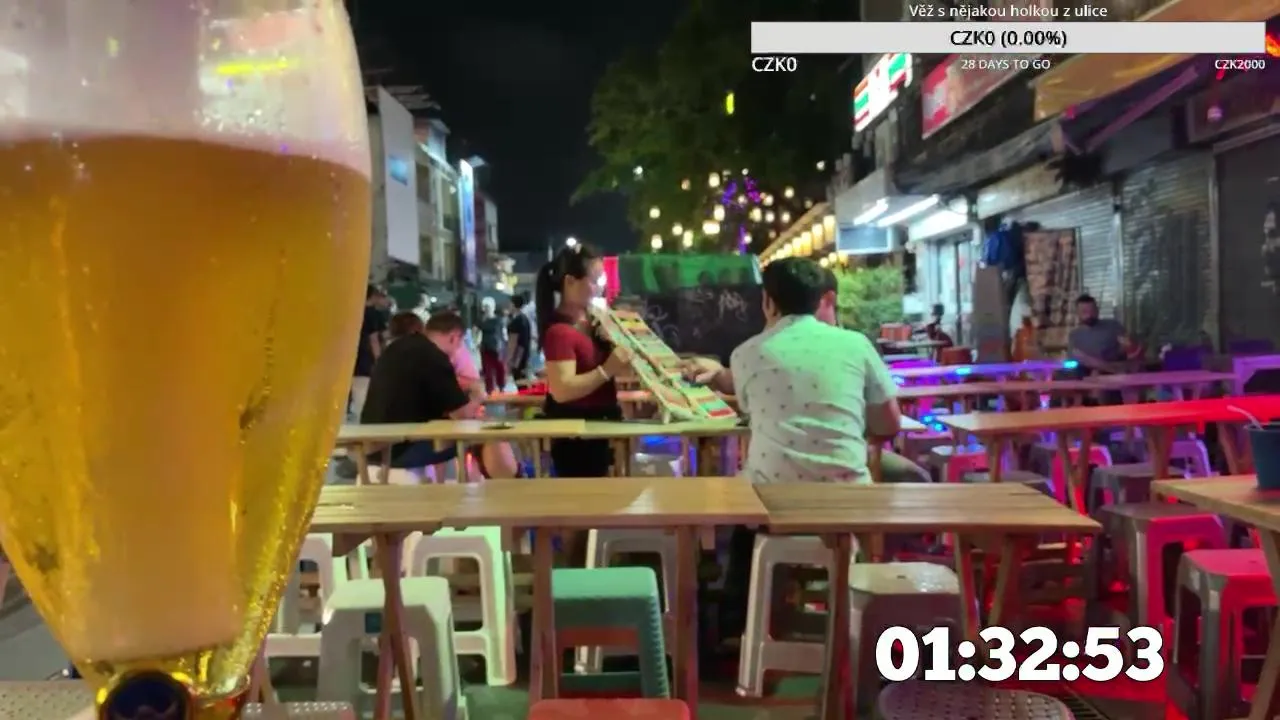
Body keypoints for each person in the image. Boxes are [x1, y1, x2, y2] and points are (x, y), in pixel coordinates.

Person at [682, 257, 930, 640]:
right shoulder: (855, 344)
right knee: (907, 480)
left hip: (773, 507)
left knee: (741, 492)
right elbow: (889, 424)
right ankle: (870, 588)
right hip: (848, 503)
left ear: (768, 302)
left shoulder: (747, 353)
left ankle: (745, 618)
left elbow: (751, 404)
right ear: (821, 299)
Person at [360, 310, 519, 480]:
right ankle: (508, 484)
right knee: (489, 432)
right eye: (460, 344)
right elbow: (461, 415)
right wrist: (479, 396)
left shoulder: (396, 348)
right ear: (454, 338)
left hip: (372, 446)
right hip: (400, 450)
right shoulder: (434, 357)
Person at [536, 243, 632, 477]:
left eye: (602, 280)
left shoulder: (594, 324)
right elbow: (562, 389)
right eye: (595, 280)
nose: (601, 288)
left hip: (601, 427)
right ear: (570, 282)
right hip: (576, 435)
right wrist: (607, 369)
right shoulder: (560, 332)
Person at [1067, 294, 1140, 375]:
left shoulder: (1113, 326)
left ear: (1097, 310)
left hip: (1114, 372)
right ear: (1077, 313)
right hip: (1088, 374)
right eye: (1084, 312)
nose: (1089, 315)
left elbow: (1130, 350)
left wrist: (1126, 347)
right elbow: (1071, 363)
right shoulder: (1074, 335)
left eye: (1092, 311)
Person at [350, 284, 389, 419]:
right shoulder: (373, 314)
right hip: (365, 358)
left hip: (349, 356)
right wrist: (378, 359)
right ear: (373, 296)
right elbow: (374, 339)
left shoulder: (353, 311)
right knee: (361, 391)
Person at [477, 297, 507, 393]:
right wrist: (477, 343)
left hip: (497, 347)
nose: (486, 309)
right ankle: (489, 390)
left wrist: (504, 345)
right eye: (485, 306)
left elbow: (503, 334)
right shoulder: (481, 320)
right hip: (485, 347)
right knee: (488, 370)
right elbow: (478, 332)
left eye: (488, 306)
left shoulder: (499, 320)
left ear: (493, 307)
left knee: (500, 368)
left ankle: (501, 387)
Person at [505, 294, 533, 383]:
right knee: (525, 382)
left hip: (517, 357)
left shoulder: (516, 321)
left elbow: (513, 342)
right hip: (525, 355)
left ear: (513, 305)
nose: (508, 306)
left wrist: (509, 360)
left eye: (510, 304)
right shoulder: (525, 319)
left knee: (520, 382)